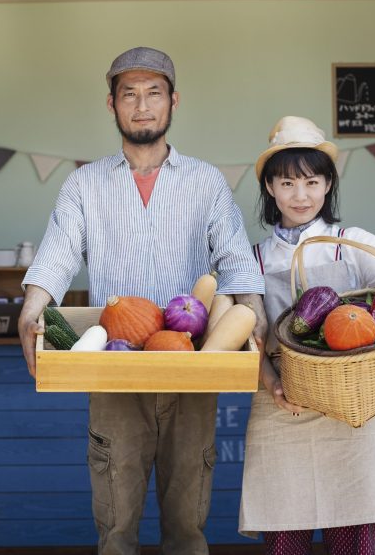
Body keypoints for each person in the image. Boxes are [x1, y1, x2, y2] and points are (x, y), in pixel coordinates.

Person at [19, 46, 266, 554]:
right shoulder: (84, 184)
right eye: (129, 94)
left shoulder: (206, 182)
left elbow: (237, 260)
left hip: (193, 362)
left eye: (154, 93)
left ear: (173, 101)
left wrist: (253, 316)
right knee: (115, 527)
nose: (142, 105)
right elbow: (60, 252)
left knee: (187, 527)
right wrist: (31, 308)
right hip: (115, 367)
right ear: (112, 105)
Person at [239, 115, 375, 554]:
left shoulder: (351, 242)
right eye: (287, 184)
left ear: (328, 184)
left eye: (312, 182)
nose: (300, 196)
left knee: (353, 536)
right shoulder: (252, 259)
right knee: (285, 537)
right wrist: (271, 382)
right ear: (269, 188)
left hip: (351, 406)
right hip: (284, 406)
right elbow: (250, 337)